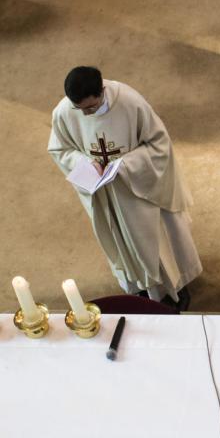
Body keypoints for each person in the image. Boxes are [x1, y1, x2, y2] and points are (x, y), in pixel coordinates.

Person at [48, 66, 202, 310]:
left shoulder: (130, 103)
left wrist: (125, 165)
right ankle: (137, 288)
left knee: (155, 241)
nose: (86, 115)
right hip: (102, 193)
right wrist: (85, 162)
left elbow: (159, 145)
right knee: (120, 241)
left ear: (101, 91)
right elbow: (60, 149)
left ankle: (174, 290)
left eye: (91, 107)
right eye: (81, 109)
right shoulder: (66, 111)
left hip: (139, 188)